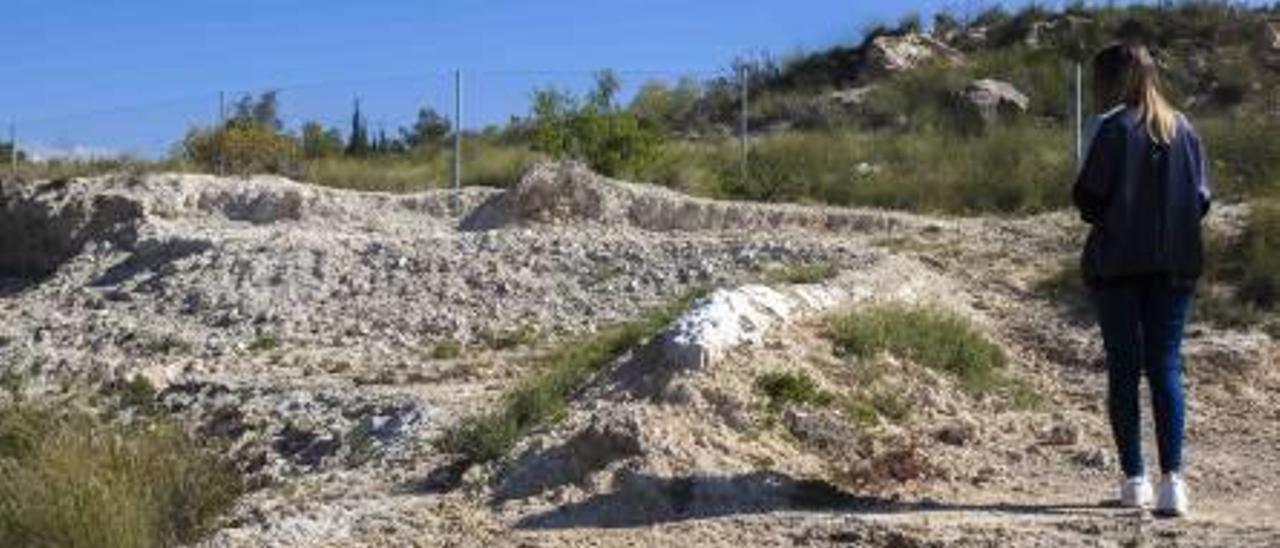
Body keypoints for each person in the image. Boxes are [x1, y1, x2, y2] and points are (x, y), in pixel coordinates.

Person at [1073, 41, 1211, 518]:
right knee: (1167, 367)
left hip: (1116, 265)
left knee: (1124, 370)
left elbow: (1088, 201)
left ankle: (1135, 480)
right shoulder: (1185, 129)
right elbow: (1201, 200)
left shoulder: (1112, 130)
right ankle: (1175, 482)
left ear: (1114, 79)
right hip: (1176, 265)